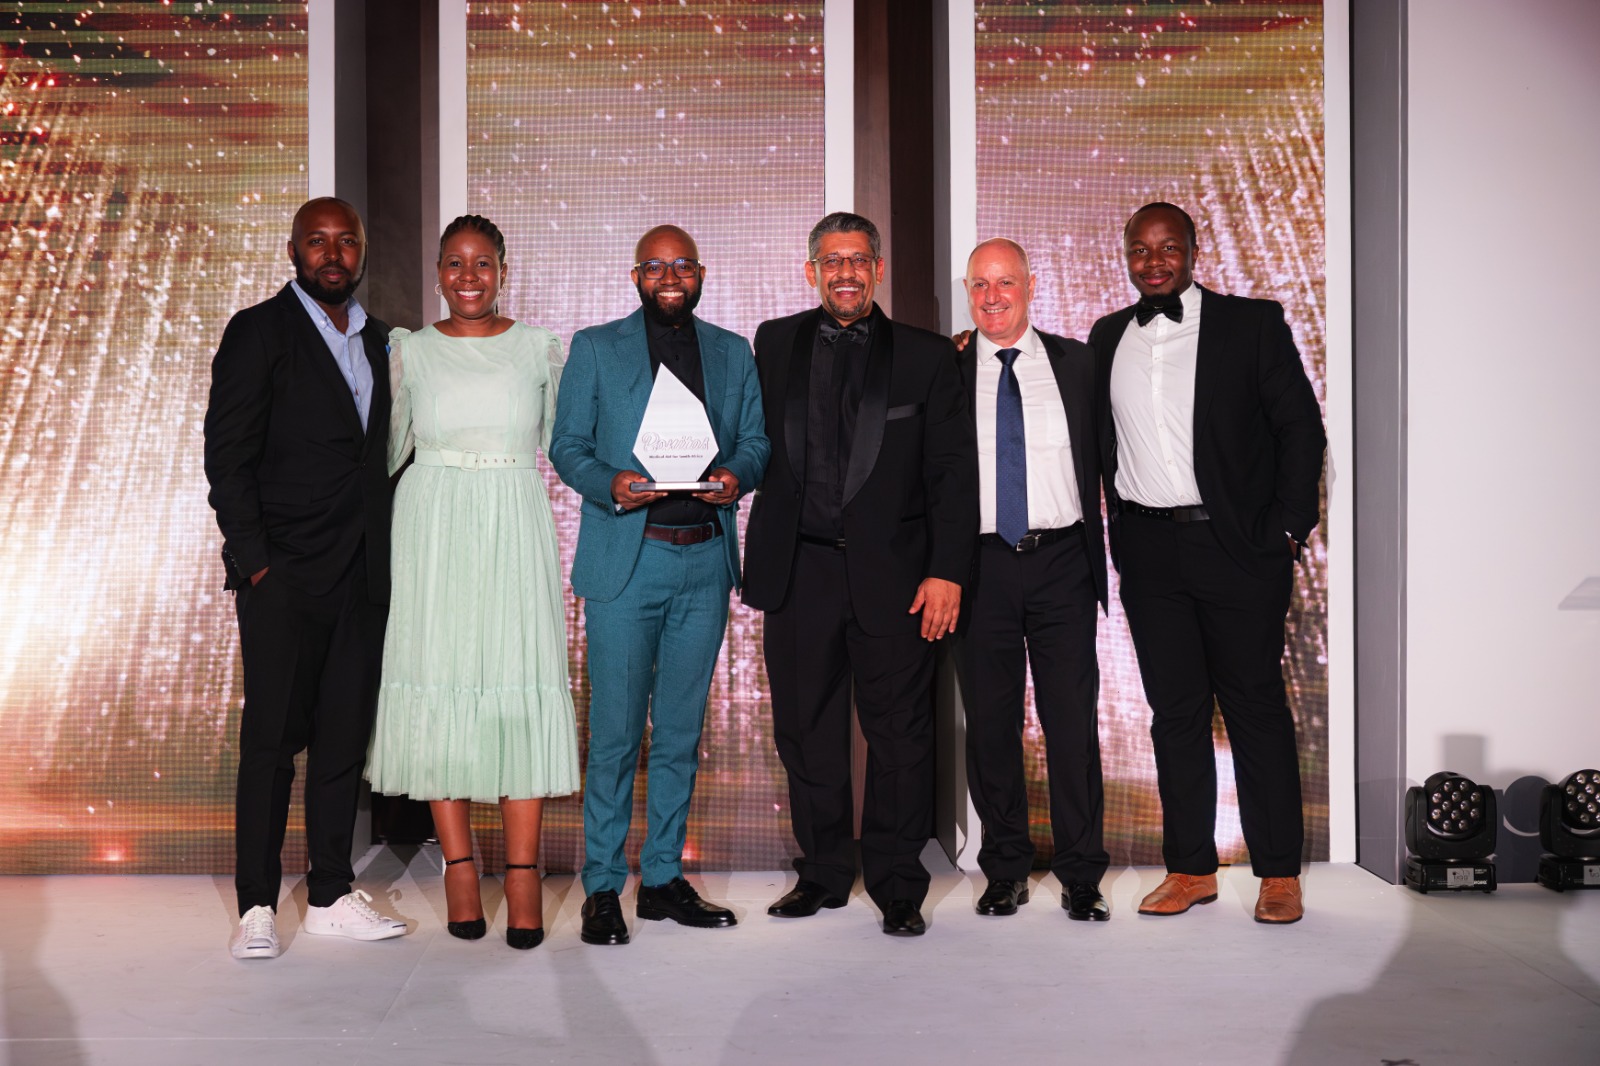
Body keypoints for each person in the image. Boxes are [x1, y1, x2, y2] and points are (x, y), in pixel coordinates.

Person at [1087, 202, 1325, 924]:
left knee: (1254, 708)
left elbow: (1300, 429)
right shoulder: (1105, 337)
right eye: (1141, 248)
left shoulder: (1251, 324)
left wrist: (1286, 529)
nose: (1154, 261)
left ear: (1193, 250)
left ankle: (1278, 873)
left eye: (1169, 248)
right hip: (1150, 553)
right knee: (1175, 715)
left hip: (1237, 549)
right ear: (1125, 254)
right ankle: (1189, 868)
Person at [742, 211, 978, 937]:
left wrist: (947, 572)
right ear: (811, 270)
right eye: (831, 260)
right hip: (798, 568)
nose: (845, 272)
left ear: (878, 268)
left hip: (897, 577)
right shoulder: (773, 341)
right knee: (806, 732)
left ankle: (899, 882)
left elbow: (950, 473)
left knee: (901, 736)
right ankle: (822, 873)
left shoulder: (929, 357)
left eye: (858, 260)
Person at [550, 224, 769, 947]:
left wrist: (737, 475)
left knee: (679, 734)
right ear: (635, 275)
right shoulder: (595, 346)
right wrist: (609, 483)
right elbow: (566, 447)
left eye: (681, 266)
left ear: (700, 273)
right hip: (627, 561)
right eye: (655, 266)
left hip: (703, 560)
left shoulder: (734, 353)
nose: (669, 276)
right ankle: (604, 886)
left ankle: (665, 877)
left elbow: (757, 443)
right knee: (614, 734)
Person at [364, 214, 579, 950]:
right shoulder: (410, 352)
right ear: (437, 272)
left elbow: (570, 447)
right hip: (433, 530)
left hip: (514, 524)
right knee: (441, 680)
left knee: (518, 683)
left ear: (504, 269)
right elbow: (384, 453)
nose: (468, 277)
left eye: (482, 263)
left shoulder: (540, 351)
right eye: (454, 263)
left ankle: (522, 875)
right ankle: (459, 866)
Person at [204, 197, 408, 960]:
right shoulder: (258, 332)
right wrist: (257, 564)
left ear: (361, 253)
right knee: (270, 744)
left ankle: (328, 892)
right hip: (283, 576)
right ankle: (257, 903)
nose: (332, 254)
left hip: (361, 578)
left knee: (340, 744)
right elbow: (227, 458)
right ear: (293, 250)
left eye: (345, 242)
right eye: (317, 242)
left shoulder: (387, 342)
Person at [953, 238, 1111, 922]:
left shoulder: (1079, 364)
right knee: (990, 726)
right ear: (968, 291)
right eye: (980, 284)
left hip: (1062, 563)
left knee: (1071, 723)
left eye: (1005, 282)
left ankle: (1082, 874)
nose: (992, 296)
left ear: (1032, 285)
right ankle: (1006, 867)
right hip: (980, 566)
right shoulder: (947, 368)